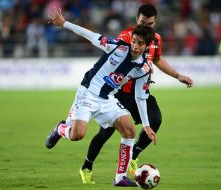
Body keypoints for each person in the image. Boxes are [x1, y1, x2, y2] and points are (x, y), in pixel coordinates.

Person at [79, 4, 193, 184]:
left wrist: (178, 75)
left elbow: (157, 60)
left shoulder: (156, 40)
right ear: (136, 20)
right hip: (120, 94)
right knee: (105, 132)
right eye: (142, 22)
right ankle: (87, 166)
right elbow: (116, 60)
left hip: (141, 93)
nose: (146, 26)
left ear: (155, 22)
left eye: (150, 23)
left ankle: (133, 156)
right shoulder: (127, 36)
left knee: (155, 120)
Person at [45, 8, 157, 187]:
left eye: (140, 43)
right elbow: (91, 35)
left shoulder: (142, 69)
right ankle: (60, 129)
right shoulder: (118, 47)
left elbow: (140, 97)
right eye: (134, 41)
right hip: (88, 92)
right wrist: (64, 23)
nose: (135, 46)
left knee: (129, 130)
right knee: (77, 135)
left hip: (107, 99)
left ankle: (120, 178)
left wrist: (146, 125)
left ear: (147, 46)